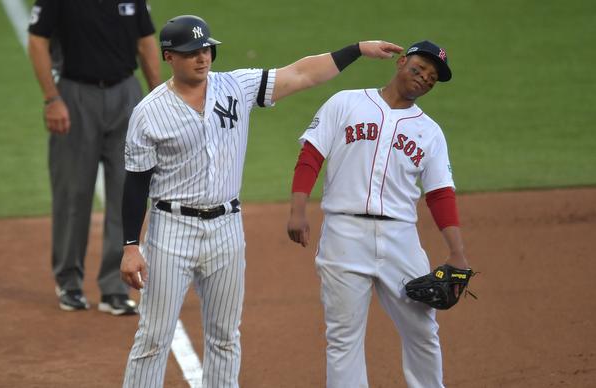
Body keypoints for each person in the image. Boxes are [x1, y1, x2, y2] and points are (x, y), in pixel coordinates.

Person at [119, 14, 403, 388]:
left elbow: (300, 74)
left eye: (206, 49)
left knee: (225, 334)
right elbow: (135, 184)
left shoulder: (235, 86)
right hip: (172, 230)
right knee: (154, 337)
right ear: (170, 57)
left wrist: (356, 50)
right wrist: (130, 246)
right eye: (191, 52)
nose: (202, 58)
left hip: (226, 229)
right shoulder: (148, 113)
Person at [286, 40, 471, 387]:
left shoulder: (430, 132)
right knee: (344, 338)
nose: (423, 80)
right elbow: (311, 156)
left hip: (400, 239)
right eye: (419, 70)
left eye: (431, 79)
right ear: (401, 63)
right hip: (344, 234)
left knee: (422, 328)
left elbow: (440, 194)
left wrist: (457, 251)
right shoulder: (346, 103)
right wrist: (298, 209)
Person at [27, 0, 161, 315]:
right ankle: (70, 283)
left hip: (127, 94)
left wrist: (158, 96)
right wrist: (52, 99)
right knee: (73, 193)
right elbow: (37, 40)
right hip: (76, 95)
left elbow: (145, 42)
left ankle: (116, 287)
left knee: (126, 191)